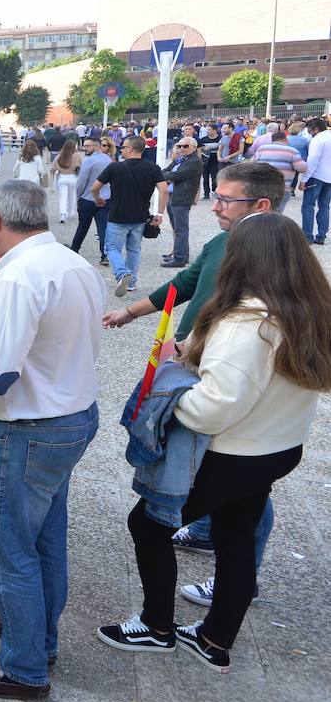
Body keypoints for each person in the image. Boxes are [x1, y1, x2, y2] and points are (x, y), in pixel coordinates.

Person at [97, 214, 331, 674]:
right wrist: (199, 357)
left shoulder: (245, 322)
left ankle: (156, 626)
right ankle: (214, 637)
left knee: (148, 524)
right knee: (235, 534)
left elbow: (213, 408)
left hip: (232, 451)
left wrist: (173, 382)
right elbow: (260, 380)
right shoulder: (308, 308)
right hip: (277, 447)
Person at [0, 181, 105, 701]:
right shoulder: (73, 265)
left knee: (10, 551)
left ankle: (24, 668)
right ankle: (38, 636)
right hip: (71, 414)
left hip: (26, 428)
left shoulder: (15, 280)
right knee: (46, 537)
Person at [95, 134, 168, 296]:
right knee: (134, 249)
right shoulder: (153, 168)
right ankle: (131, 282)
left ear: (129, 148)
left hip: (117, 216)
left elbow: (95, 187)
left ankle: (121, 273)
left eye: (123, 147)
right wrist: (160, 213)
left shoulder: (115, 167)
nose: (121, 150)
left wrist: (98, 199)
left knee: (112, 248)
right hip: (140, 217)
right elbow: (163, 189)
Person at [160, 137, 203, 268]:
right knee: (176, 227)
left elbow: (176, 176)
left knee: (181, 229)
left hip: (182, 197)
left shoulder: (195, 161)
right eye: (179, 146)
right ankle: (182, 255)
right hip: (173, 195)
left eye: (185, 146)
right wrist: (165, 175)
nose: (182, 149)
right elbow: (164, 171)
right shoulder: (180, 159)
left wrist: (164, 176)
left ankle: (179, 258)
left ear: (194, 148)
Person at [70, 136, 112, 265]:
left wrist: (78, 196)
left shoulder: (88, 161)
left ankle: (75, 249)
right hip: (105, 197)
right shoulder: (108, 160)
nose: (84, 148)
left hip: (88, 197)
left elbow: (81, 181)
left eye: (87, 146)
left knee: (83, 225)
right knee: (103, 227)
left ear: (96, 146)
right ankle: (104, 255)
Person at [252, 129, 307, 214]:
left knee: (262, 211)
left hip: (263, 186)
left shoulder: (261, 149)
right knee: (276, 213)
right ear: (285, 139)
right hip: (282, 187)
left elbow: (253, 164)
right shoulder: (292, 151)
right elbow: (301, 168)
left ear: (272, 140)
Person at [299, 117, 330, 245]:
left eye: (310, 131)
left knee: (308, 206)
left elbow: (312, 161)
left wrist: (304, 180)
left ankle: (307, 236)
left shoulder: (318, 139)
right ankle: (321, 235)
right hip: (329, 178)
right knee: (324, 206)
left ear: (316, 129)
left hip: (316, 176)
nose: (310, 133)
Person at [51, 138, 81, 224]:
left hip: (62, 178)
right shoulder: (77, 155)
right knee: (72, 196)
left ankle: (62, 214)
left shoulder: (59, 157)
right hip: (73, 177)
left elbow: (52, 169)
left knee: (62, 197)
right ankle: (71, 212)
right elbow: (81, 167)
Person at [197, 124, 223, 199]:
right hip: (206, 161)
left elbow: (222, 147)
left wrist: (211, 147)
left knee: (215, 177)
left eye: (209, 130)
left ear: (215, 130)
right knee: (205, 178)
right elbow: (200, 149)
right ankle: (206, 194)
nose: (207, 131)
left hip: (215, 160)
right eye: (207, 130)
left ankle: (215, 191)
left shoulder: (220, 138)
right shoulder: (203, 139)